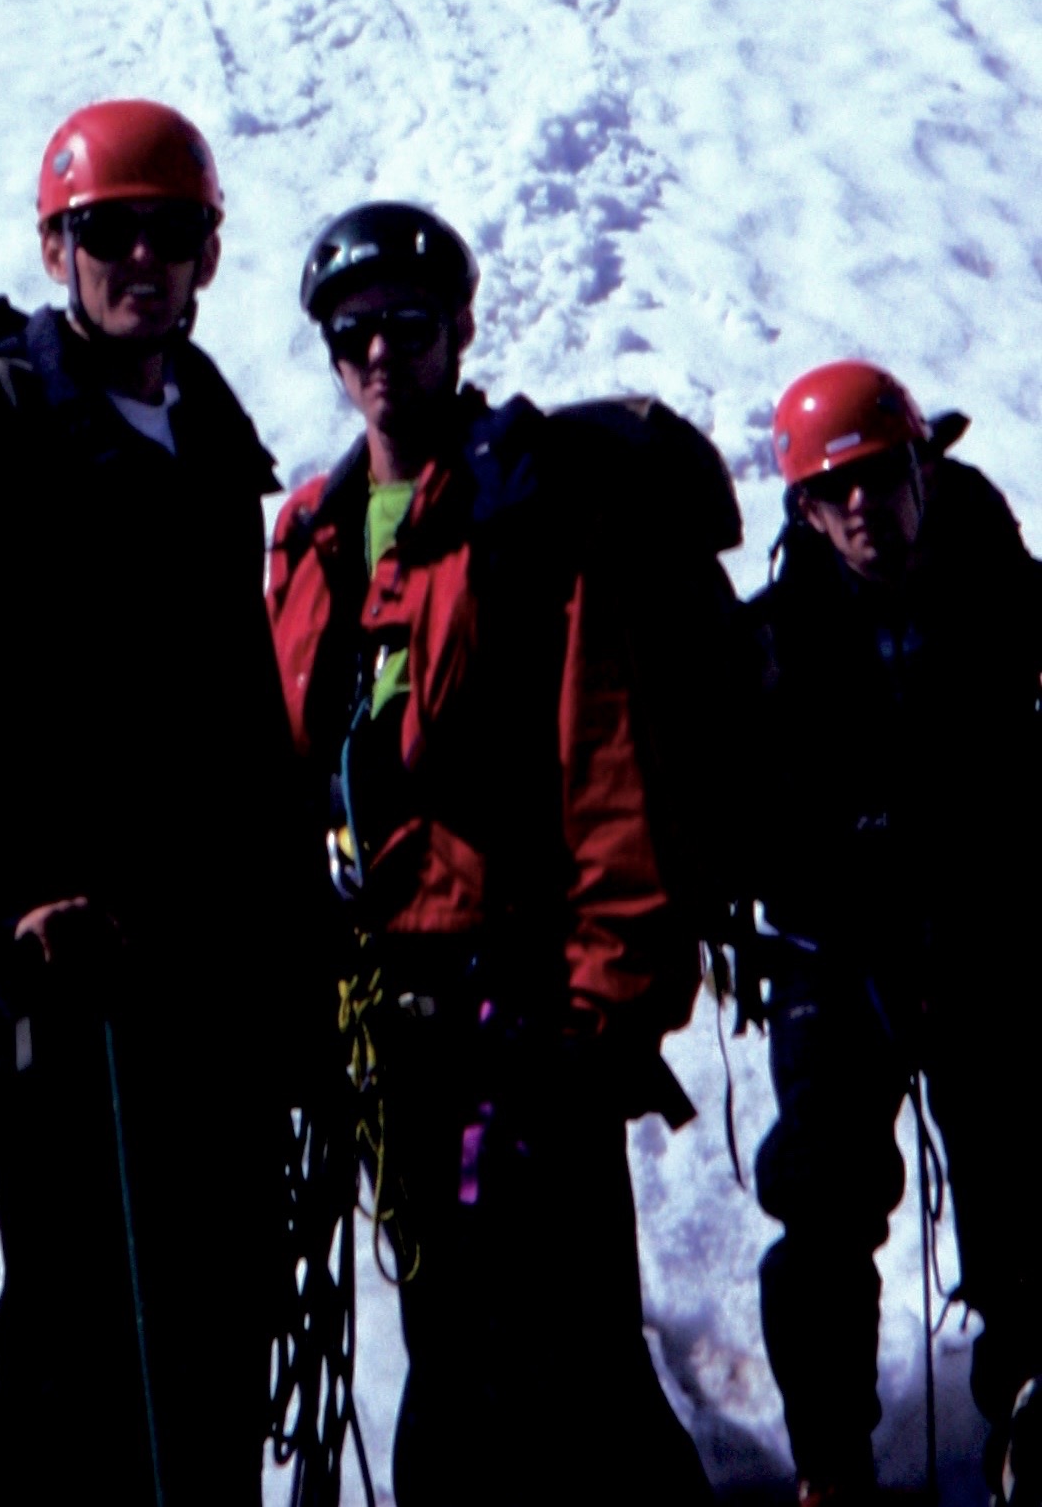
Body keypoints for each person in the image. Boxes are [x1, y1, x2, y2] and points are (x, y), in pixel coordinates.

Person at [0, 97, 301, 1507]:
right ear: (57, 248)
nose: (141, 259)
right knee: (75, 1381)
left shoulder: (209, 438)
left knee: (216, 1360)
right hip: (78, 999)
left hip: (216, 994)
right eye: (109, 232)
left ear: (208, 252)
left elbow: (243, 720)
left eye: (172, 232)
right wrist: (1, 910)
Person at [267, 200, 710, 1507]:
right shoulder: (310, 530)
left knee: (569, 1352)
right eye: (352, 330)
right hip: (385, 1015)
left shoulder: (527, 507)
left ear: (458, 328)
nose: (379, 351)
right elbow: (282, 766)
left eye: (407, 323)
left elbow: (603, 755)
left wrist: (605, 998)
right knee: (454, 1338)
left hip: (523, 1005)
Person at [752, 361, 1042, 1507]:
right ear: (805, 510)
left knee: (1021, 1180)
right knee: (820, 1198)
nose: (860, 506)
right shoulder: (777, 640)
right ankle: (829, 1463)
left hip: (987, 934)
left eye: (875, 477)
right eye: (833, 492)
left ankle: (1032, 1418)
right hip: (838, 956)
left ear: (919, 467)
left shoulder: (1003, 593)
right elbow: (752, 823)